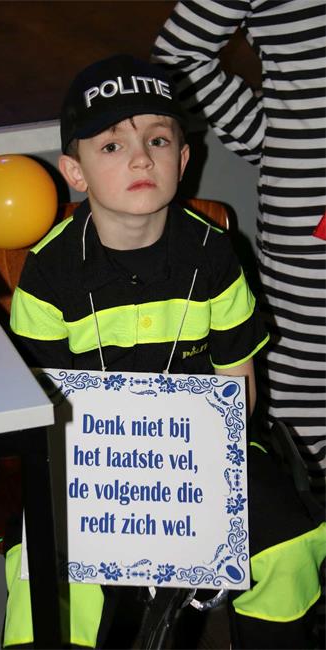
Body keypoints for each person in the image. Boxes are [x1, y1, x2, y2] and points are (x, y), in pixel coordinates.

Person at [0, 55, 326, 649]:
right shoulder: (49, 273)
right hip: (90, 462)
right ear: (76, 171)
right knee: (48, 576)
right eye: (112, 146)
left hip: (205, 451)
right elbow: (41, 407)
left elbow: (239, 382)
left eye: (158, 140)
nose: (141, 158)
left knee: (291, 545)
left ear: (183, 161)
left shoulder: (214, 255)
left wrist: (202, 469)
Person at [151, 0, 326, 503]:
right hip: (313, 221)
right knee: (306, 414)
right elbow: (179, 57)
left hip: (308, 209)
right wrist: (280, 144)